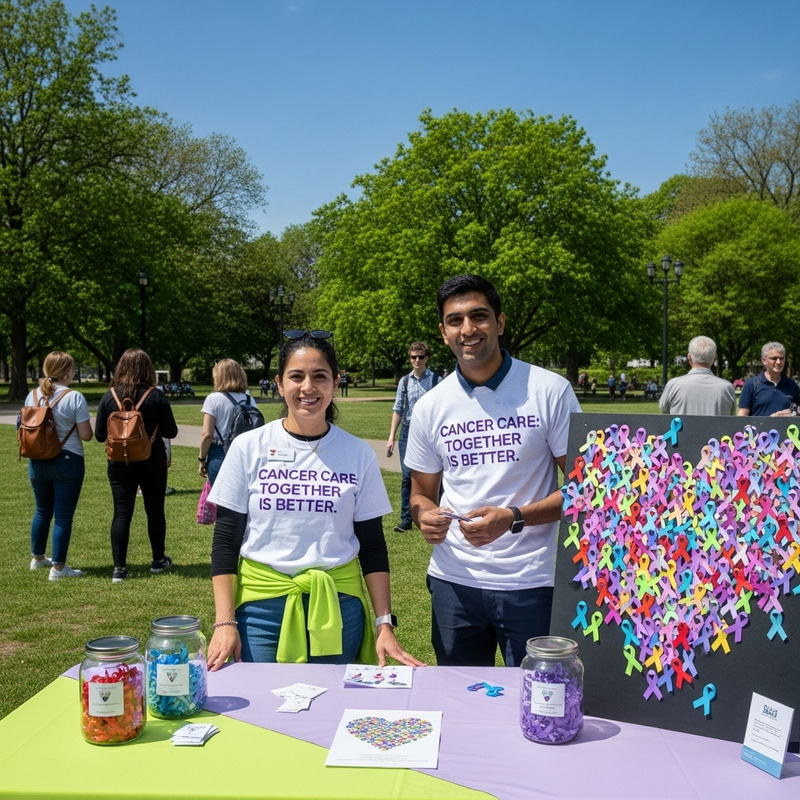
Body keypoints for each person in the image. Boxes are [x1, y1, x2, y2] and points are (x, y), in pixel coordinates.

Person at [206, 330, 423, 670]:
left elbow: (372, 544)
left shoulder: (357, 454)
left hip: (338, 606)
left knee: (331, 710)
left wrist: (384, 624)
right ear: (279, 384)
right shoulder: (248, 447)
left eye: (319, 376)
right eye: (296, 376)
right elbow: (226, 540)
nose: (308, 387)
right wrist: (224, 622)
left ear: (335, 383)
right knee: (263, 711)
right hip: (262, 609)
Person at [405, 274, 581, 667]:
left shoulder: (548, 390)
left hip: (531, 582)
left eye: (478, 316)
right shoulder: (430, 406)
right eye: (455, 320)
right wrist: (424, 517)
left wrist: (514, 518)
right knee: (462, 707)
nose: (468, 329)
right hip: (454, 583)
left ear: (499, 323)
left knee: (539, 700)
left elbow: (586, 490)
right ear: (443, 332)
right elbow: (419, 494)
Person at [95, 348, 179, 583]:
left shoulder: (109, 396)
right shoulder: (156, 395)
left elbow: (100, 435)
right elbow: (171, 430)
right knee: (154, 510)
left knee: (122, 513)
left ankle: (119, 568)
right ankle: (158, 559)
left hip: (119, 462)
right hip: (152, 460)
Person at [25, 351, 93, 580]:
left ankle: (37, 558)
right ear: (68, 371)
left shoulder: (32, 396)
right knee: (63, 515)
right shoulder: (74, 397)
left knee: (42, 511)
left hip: (37, 460)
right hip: (67, 459)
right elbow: (86, 435)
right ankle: (59, 568)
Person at [386, 341, 441, 532]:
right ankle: (405, 520)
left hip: (430, 432)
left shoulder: (436, 380)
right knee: (407, 477)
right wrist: (392, 436)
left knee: (435, 475)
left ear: (427, 358)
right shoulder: (405, 381)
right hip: (407, 433)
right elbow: (398, 409)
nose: (416, 360)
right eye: (413, 357)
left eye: (420, 357)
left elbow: (442, 409)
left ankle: (438, 514)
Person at [198, 359, 254, 486]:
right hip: (244, 454)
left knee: (220, 502)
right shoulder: (249, 399)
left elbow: (207, 434)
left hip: (220, 453)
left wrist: (201, 459)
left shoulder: (213, 399)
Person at [658, 336, 736, 416]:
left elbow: (664, 410)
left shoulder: (673, 385)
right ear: (715, 359)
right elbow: (731, 414)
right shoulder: (727, 388)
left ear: (689, 357)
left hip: (683, 429)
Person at [738, 341, 800, 417]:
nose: (778, 362)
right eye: (774, 358)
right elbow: (742, 416)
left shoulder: (792, 385)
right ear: (764, 361)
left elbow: (798, 411)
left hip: (784, 429)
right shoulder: (752, 384)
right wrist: (771, 419)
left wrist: (793, 414)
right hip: (760, 428)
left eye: (781, 358)